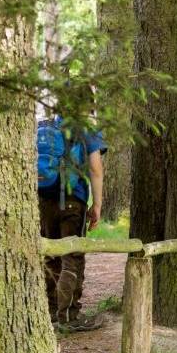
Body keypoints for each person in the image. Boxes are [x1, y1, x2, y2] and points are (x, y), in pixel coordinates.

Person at [37, 113, 106, 331]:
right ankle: (69, 316)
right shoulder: (85, 128)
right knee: (72, 257)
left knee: (51, 256)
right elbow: (95, 168)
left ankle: (50, 313)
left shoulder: (44, 125)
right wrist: (97, 204)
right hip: (73, 200)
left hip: (45, 201)